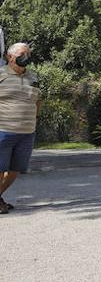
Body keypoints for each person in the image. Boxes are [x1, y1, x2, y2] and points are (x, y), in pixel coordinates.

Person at [0, 42, 41, 214]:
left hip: (27, 132)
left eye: (28, 54)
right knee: (0, 170)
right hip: (3, 130)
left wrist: (35, 118)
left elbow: (38, 101)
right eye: (23, 54)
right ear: (10, 57)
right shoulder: (1, 75)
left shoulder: (33, 77)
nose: (27, 57)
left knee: (15, 170)